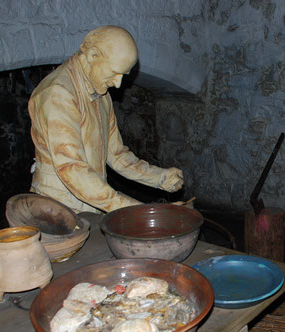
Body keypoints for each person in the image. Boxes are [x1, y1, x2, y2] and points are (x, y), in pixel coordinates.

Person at [28, 25, 183, 213]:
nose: (118, 84)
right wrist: (136, 211)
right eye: (114, 73)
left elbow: (116, 154)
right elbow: (72, 169)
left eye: (123, 76)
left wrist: (160, 177)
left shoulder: (100, 93)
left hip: (90, 200)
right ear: (93, 55)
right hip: (58, 209)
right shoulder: (58, 94)